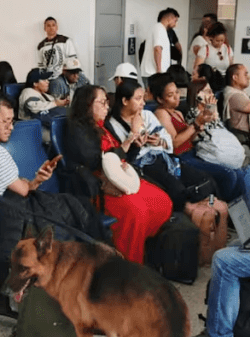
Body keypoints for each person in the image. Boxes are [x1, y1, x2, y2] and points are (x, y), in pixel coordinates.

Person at [65, 85, 171, 264]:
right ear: (87, 104)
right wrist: (128, 141)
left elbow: (124, 157)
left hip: (123, 178)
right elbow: (95, 161)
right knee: (137, 212)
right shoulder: (77, 129)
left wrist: (135, 143)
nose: (107, 107)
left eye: (107, 102)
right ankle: (127, 265)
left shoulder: (104, 126)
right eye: (102, 103)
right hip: (102, 185)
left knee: (163, 202)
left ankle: (137, 248)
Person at [155, 75, 250, 215]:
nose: (177, 97)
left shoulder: (177, 113)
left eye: (177, 92)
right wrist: (196, 124)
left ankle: (244, 213)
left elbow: (190, 137)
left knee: (242, 172)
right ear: (160, 99)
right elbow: (174, 143)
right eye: (171, 95)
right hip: (182, 157)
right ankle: (228, 211)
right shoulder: (162, 113)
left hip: (194, 151)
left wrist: (200, 125)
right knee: (230, 175)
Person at [107, 80, 215, 214]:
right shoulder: (113, 126)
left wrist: (160, 142)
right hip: (144, 166)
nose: (143, 103)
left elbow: (168, 140)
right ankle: (193, 214)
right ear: (125, 101)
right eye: (138, 99)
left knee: (206, 180)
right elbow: (122, 157)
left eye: (143, 98)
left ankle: (211, 207)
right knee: (178, 190)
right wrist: (134, 135)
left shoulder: (147, 115)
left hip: (164, 157)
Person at [0, 92, 57, 240]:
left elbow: (20, 187)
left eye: (12, 121)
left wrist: (36, 180)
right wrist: (30, 183)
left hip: (5, 216)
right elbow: (23, 190)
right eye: (5, 122)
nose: (11, 127)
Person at [140, 8, 180, 79]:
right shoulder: (159, 28)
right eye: (175, 21)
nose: (175, 25)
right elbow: (157, 49)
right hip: (153, 73)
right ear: (169, 18)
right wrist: (158, 71)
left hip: (154, 73)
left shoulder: (161, 29)